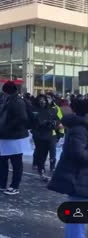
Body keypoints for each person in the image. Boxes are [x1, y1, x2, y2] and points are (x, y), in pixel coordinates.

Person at [47, 98, 88, 238]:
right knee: (77, 217)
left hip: (82, 179)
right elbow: (78, 153)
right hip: (78, 179)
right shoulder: (80, 129)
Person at [0, 81, 30, 195]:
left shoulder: (17, 101)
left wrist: (7, 127)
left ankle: (14, 186)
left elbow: (22, 118)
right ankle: (1, 183)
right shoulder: (9, 100)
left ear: (8, 91)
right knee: (2, 160)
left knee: (16, 162)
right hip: (6, 136)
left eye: (4, 91)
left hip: (15, 137)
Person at [31, 95, 59, 182]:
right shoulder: (34, 110)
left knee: (52, 151)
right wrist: (39, 125)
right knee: (41, 154)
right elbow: (31, 122)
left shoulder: (53, 110)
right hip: (39, 136)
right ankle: (41, 171)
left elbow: (58, 120)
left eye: (44, 100)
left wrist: (54, 123)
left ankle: (51, 166)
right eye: (40, 100)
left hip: (50, 135)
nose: (42, 102)